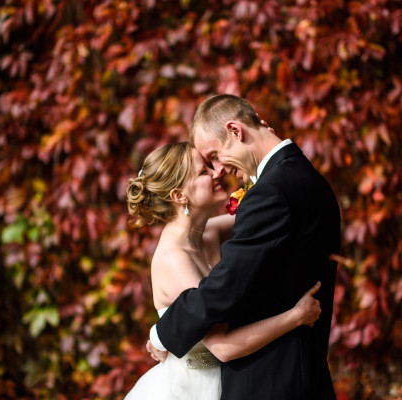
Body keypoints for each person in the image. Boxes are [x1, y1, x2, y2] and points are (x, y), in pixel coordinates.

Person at [150, 95, 341, 399]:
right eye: (206, 166)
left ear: (235, 131)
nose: (219, 170)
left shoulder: (272, 193)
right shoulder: (304, 177)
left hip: (274, 382)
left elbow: (223, 288)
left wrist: (162, 333)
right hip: (298, 374)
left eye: (214, 156)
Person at [124, 141, 323, 399]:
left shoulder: (209, 232)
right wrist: (296, 316)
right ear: (179, 196)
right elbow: (224, 347)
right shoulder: (173, 260)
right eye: (203, 171)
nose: (217, 173)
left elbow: (270, 210)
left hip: (236, 378)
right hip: (194, 390)